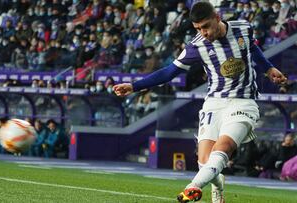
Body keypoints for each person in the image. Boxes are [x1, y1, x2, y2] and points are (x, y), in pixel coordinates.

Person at [113, 2, 286, 203]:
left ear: (217, 17)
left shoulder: (243, 28)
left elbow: (252, 48)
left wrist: (269, 68)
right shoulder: (197, 46)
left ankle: (191, 187)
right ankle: (217, 187)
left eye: (205, 26)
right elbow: (169, 72)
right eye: (198, 29)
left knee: (225, 146)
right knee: (206, 164)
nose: (203, 32)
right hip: (214, 103)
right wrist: (134, 86)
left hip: (243, 102)